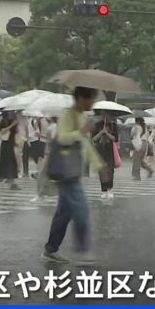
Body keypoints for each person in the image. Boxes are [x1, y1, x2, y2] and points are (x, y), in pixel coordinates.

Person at [42, 87, 104, 265]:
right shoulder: (68, 115)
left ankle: (51, 249)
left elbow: (86, 145)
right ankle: (84, 251)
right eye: (90, 99)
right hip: (65, 171)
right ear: (80, 99)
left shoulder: (82, 117)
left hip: (72, 170)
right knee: (81, 210)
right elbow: (62, 138)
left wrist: (99, 165)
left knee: (64, 213)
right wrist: (81, 131)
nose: (92, 103)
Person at [30, 117, 58, 203]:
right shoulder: (55, 126)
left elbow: (53, 140)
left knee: (43, 175)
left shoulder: (53, 127)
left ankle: (41, 194)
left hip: (54, 154)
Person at [92, 114, 118, 199]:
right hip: (100, 150)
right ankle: (104, 190)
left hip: (110, 151)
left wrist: (106, 133)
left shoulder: (113, 125)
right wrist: (101, 132)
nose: (106, 117)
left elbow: (115, 138)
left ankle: (110, 189)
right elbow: (94, 139)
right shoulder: (97, 125)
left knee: (110, 171)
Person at [0, 111, 21, 190]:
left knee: (12, 162)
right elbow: (1, 132)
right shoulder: (3, 120)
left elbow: (17, 131)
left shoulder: (14, 119)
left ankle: (11, 181)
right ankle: (9, 180)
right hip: (5, 143)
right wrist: (12, 125)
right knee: (8, 162)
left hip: (12, 142)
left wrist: (17, 123)